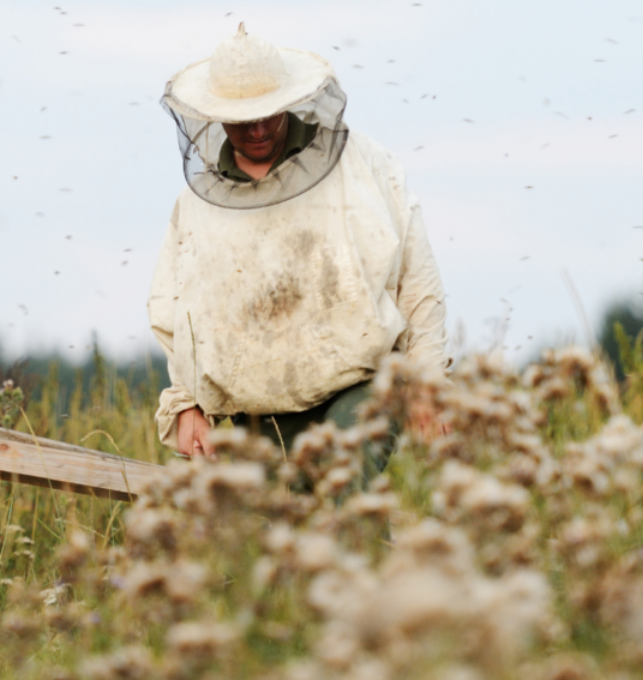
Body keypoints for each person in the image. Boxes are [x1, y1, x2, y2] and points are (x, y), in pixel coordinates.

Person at [148, 24, 448, 481]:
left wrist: (428, 381)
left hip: (363, 387)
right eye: (243, 120)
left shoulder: (365, 164)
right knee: (286, 521)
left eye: (268, 114)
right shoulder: (194, 207)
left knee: (343, 487)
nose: (259, 129)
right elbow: (179, 313)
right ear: (217, 115)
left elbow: (416, 277)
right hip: (256, 411)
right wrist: (185, 403)